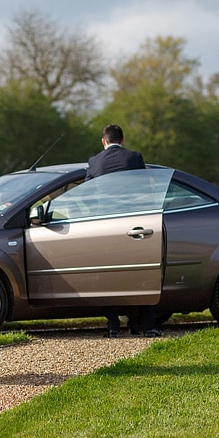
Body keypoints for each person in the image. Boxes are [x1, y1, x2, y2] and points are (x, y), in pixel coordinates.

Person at [85, 124, 159, 337]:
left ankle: (112, 324)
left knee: (108, 275)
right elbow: (144, 188)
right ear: (123, 140)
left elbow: (87, 193)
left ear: (103, 141)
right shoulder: (134, 158)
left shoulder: (94, 162)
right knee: (140, 273)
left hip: (105, 226)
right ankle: (144, 325)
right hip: (132, 224)